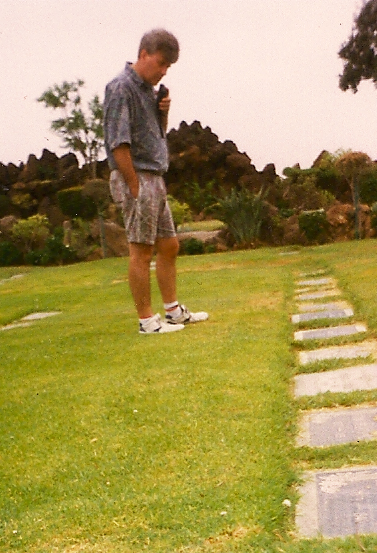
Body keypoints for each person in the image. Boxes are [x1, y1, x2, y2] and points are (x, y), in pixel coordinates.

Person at [103, 29, 209, 335]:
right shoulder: (121, 88)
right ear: (143, 54)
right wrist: (134, 186)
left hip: (154, 177)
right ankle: (147, 321)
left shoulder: (149, 92)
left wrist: (163, 113)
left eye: (168, 67)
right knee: (141, 251)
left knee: (169, 245)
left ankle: (173, 311)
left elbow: (155, 135)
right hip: (137, 176)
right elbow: (118, 143)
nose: (163, 71)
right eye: (161, 63)